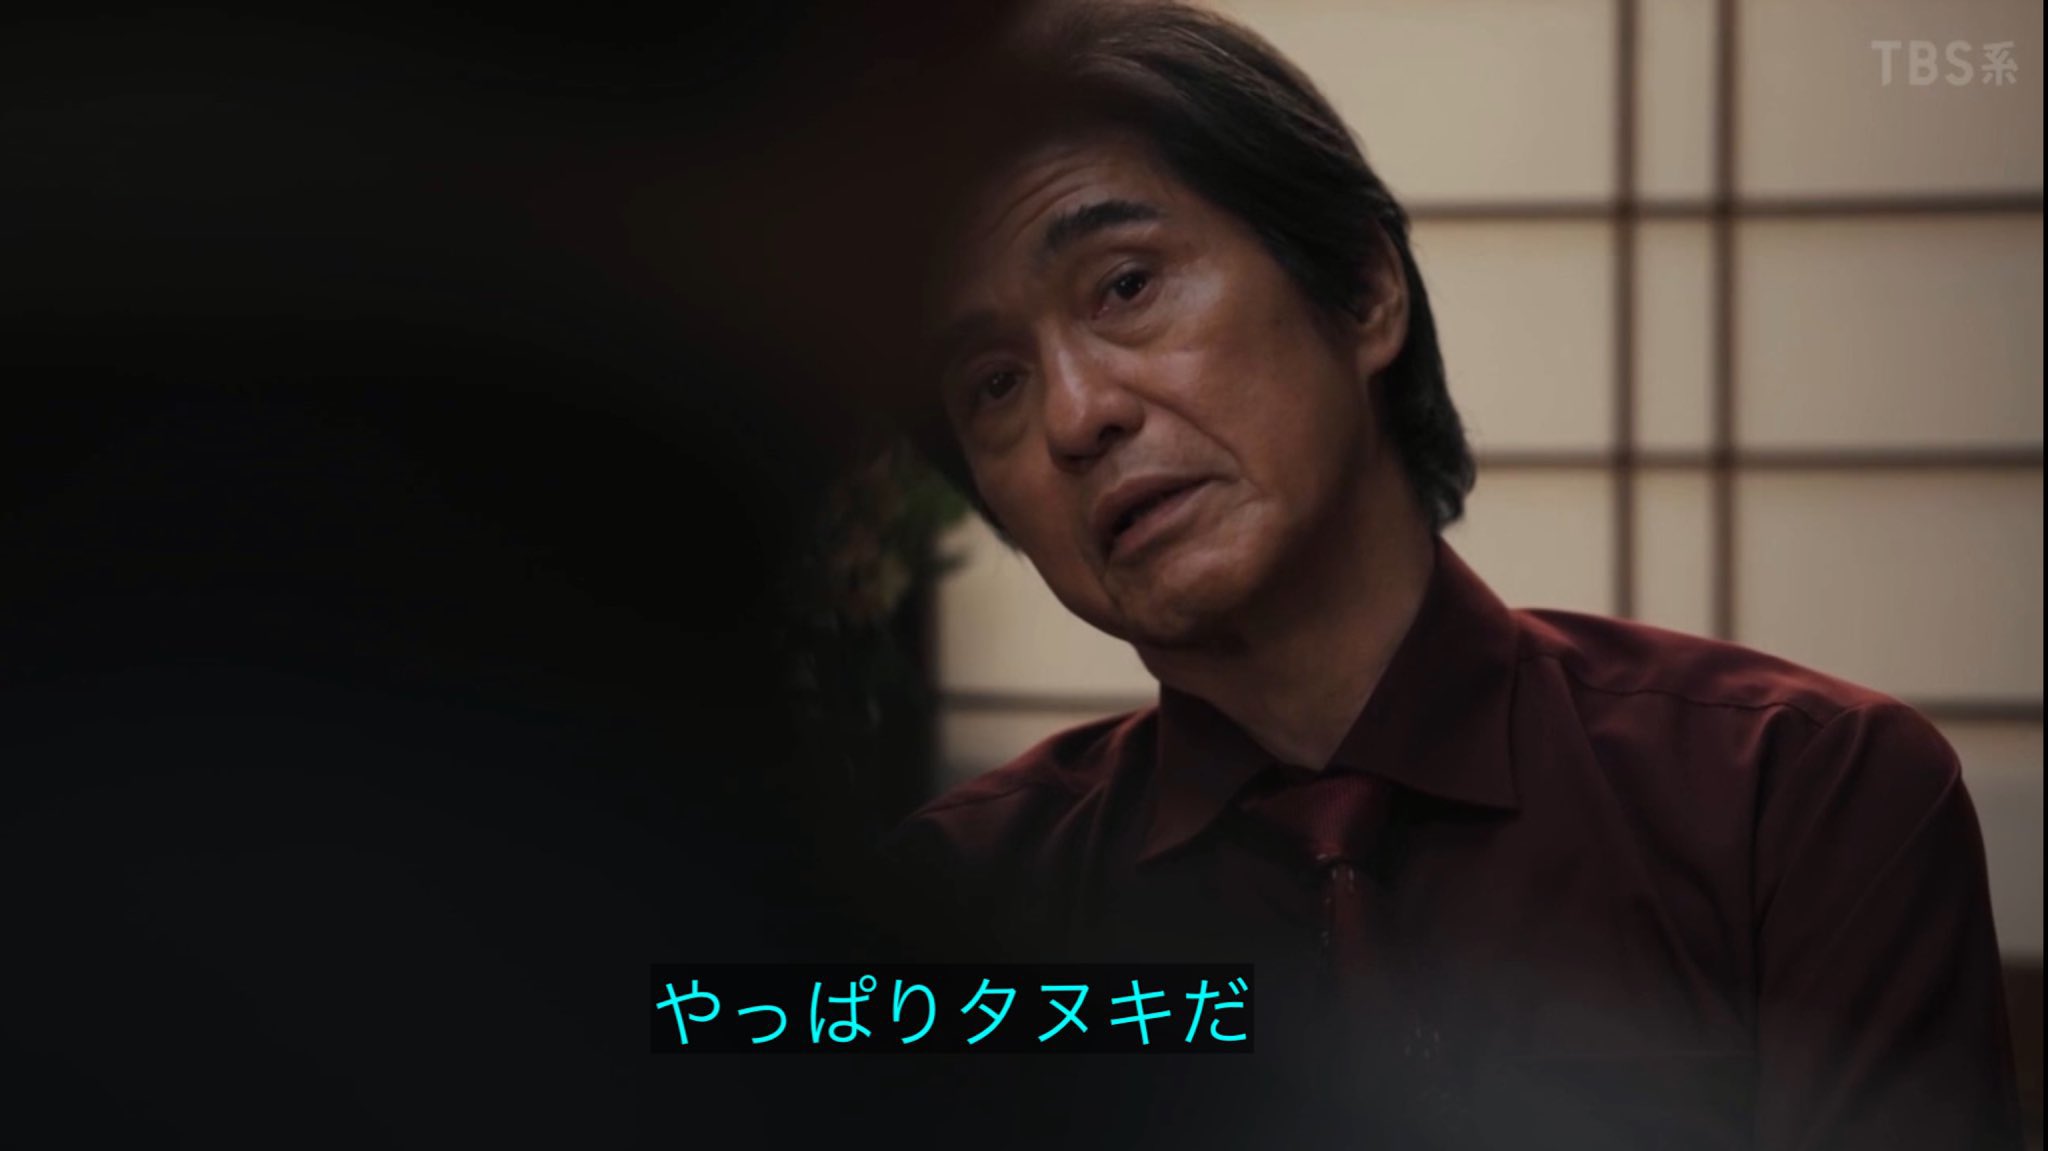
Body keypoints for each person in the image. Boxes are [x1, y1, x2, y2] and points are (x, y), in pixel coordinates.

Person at [876, 2, 2027, 1147]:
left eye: (1125, 285)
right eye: (992, 383)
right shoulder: (951, 911)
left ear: (1363, 289)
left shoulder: (1800, 797)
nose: (1075, 413)